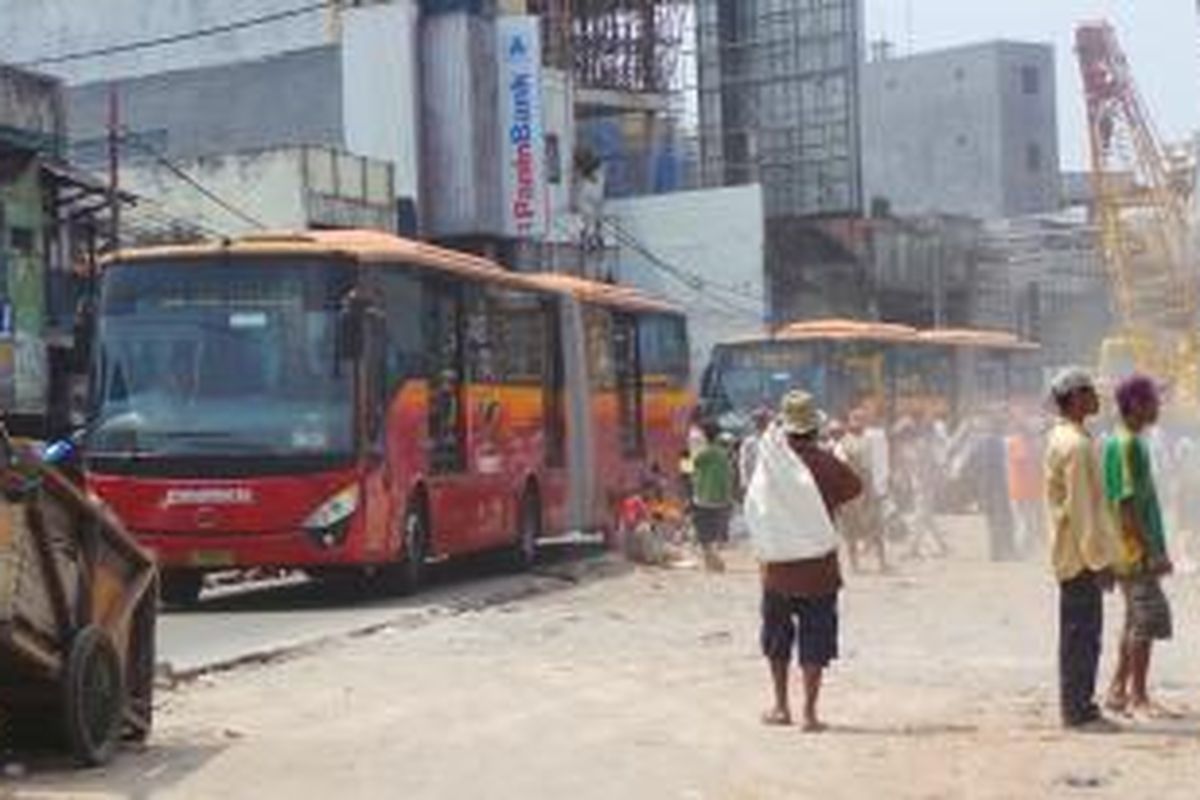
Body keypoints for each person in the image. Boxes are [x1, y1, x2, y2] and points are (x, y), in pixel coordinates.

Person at [755, 391, 862, 731]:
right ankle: (811, 714)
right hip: (819, 571)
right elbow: (854, 487)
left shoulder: (771, 465)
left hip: (778, 569)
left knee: (777, 639)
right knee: (815, 641)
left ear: (786, 430)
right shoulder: (826, 463)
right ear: (814, 429)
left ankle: (781, 707)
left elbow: (754, 504)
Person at [1044, 368, 1119, 731]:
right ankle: (1077, 710)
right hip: (1079, 558)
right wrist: (1099, 561)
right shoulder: (1075, 445)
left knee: (1081, 635)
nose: (1096, 397)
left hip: (1072, 554)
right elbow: (1083, 511)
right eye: (1090, 391)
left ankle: (1080, 706)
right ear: (1075, 398)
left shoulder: (1067, 438)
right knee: (1082, 637)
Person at [1103, 376, 1176, 719]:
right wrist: (1152, 551)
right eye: (1153, 401)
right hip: (1134, 551)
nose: (1158, 407)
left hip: (1129, 548)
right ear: (1135, 405)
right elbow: (1126, 505)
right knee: (1146, 621)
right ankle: (1138, 695)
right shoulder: (1128, 444)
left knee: (1134, 619)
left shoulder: (1128, 441)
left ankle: (1119, 688)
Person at [834, 409, 889, 573]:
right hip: (852, 492)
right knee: (852, 530)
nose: (859, 424)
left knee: (875, 527)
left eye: (861, 420)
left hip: (867, 490)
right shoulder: (842, 444)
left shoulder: (870, 440)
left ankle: (881, 562)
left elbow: (876, 466)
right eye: (856, 420)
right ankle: (855, 565)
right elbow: (842, 468)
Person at [690, 421, 734, 572]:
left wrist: (686, 452)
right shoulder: (723, 455)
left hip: (703, 498)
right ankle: (711, 563)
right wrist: (728, 498)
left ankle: (715, 562)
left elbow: (687, 468)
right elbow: (728, 478)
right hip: (720, 500)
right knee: (712, 534)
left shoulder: (704, 454)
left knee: (704, 534)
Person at [1008, 418, 1045, 557]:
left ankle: (1028, 548)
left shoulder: (1021, 442)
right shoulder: (1019, 443)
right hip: (1023, 490)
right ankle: (1021, 549)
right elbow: (1023, 461)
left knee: (1028, 520)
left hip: (1027, 489)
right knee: (1025, 521)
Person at [738, 408, 773, 492]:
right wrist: (745, 483)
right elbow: (744, 464)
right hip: (754, 485)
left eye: (764, 420)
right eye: (759, 420)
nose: (762, 423)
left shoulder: (775, 441)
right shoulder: (749, 443)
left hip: (771, 485)